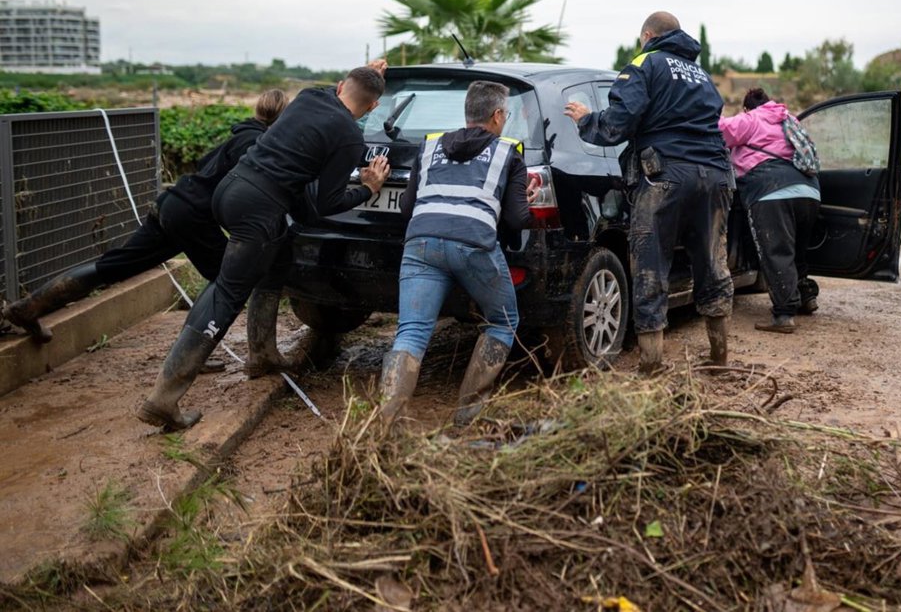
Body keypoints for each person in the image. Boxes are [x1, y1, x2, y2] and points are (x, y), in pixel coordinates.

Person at [137, 63, 391, 431]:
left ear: (339, 86)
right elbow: (326, 203)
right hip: (259, 208)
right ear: (372, 108)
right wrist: (367, 188)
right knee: (227, 293)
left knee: (275, 257)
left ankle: (262, 354)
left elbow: (306, 202)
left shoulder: (309, 97)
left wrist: (368, 71)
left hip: (231, 190)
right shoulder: (350, 137)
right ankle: (163, 399)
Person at [1, 89, 289, 344]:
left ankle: (27, 308)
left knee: (112, 267)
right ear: (285, 119)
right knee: (226, 280)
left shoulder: (239, 134)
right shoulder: (257, 144)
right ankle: (189, 351)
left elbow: (205, 167)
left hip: (172, 202)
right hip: (192, 216)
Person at [564, 11, 733, 372]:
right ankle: (719, 358)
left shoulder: (646, 63)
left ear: (647, 36)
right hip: (715, 175)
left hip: (665, 176)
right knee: (712, 264)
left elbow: (619, 123)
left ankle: (652, 365)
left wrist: (586, 120)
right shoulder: (701, 75)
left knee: (650, 266)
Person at [378, 80, 535, 427]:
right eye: (506, 115)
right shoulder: (509, 152)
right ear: (497, 115)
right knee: (503, 321)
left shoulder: (430, 145)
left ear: (468, 112)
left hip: (420, 244)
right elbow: (516, 219)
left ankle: (386, 424)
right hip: (474, 246)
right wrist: (528, 203)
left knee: (412, 332)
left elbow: (407, 208)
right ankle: (468, 415)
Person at [719, 88, 820, 334]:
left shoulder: (751, 119)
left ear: (747, 108)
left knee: (776, 252)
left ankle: (784, 315)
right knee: (797, 251)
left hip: (771, 191)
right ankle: (806, 297)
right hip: (809, 191)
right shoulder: (788, 118)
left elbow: (718, 131)